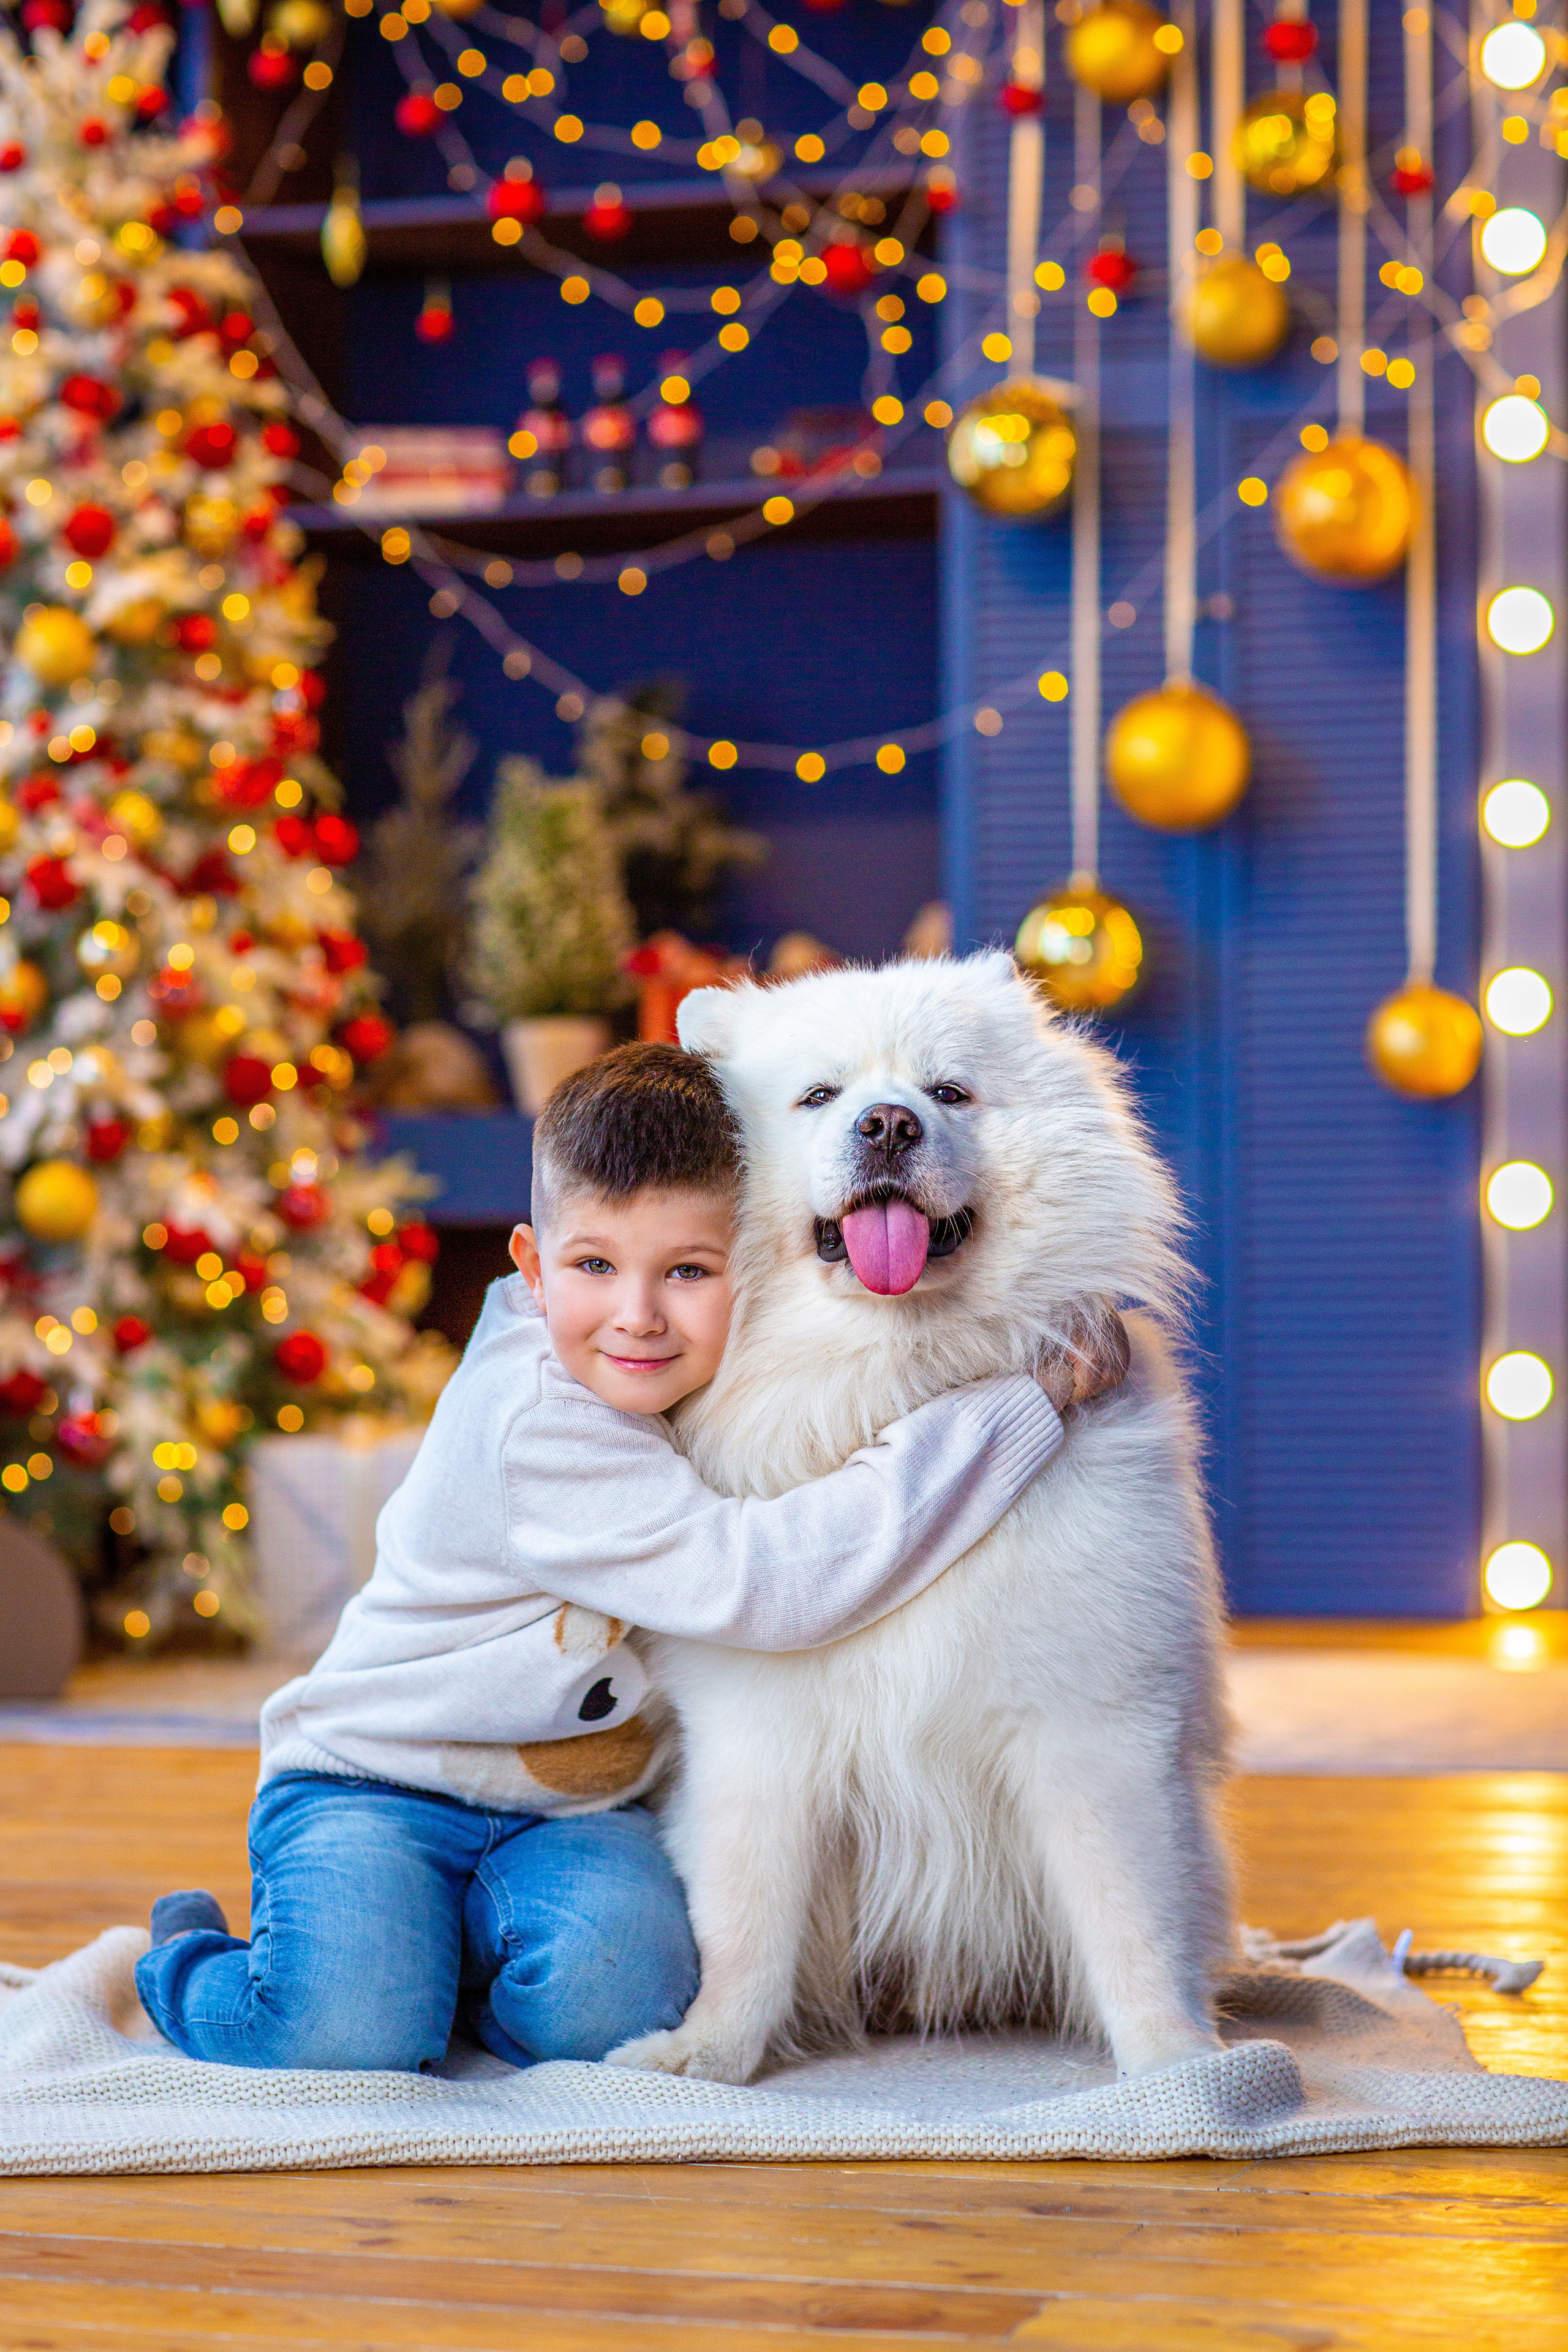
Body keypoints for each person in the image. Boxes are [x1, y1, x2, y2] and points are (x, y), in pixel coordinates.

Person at [137, 1043, 1129, 2074]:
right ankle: (193, 1961)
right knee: (348, 2034)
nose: (639, 1317)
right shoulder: (539, 1425)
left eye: (689, 1272)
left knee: (622, 2003)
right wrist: (1020, 1404)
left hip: (564, 1813)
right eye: (595, 1266)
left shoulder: (686, 1378)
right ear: (531, 1264)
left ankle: (445, 1957)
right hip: (377, 1785)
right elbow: (765, 1580)